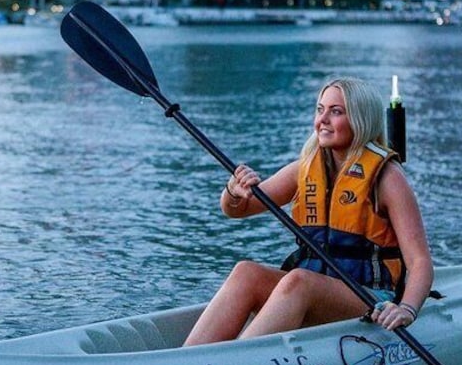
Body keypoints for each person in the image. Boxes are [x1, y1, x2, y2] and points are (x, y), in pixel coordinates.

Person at [183, 77, 434, 346]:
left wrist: (406, 309)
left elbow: (420, 261)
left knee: (299, 281)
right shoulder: (303, 170)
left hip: (369, 297)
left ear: (361, 120)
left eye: (336, 111)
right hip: (315, 288)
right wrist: (234, 190)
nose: (323, 119)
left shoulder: (387, 177)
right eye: (319, 109)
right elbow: (238, 209)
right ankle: (189, 359)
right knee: (247, 273)